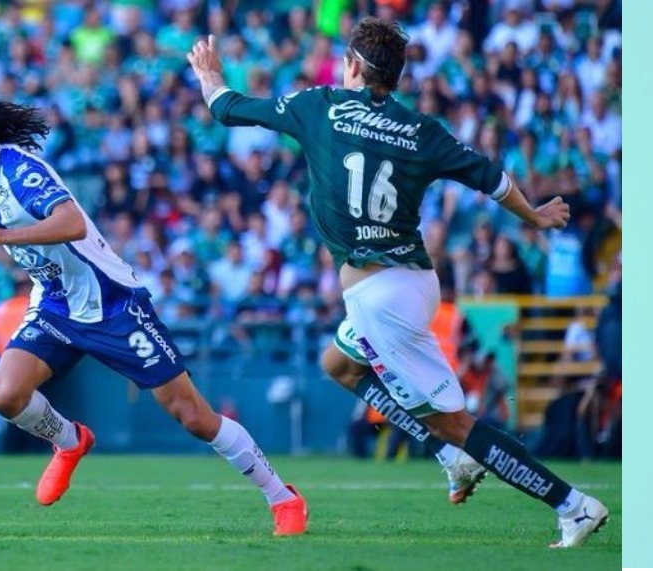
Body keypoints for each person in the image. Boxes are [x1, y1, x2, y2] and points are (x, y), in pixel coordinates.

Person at [187, 18, 608, 548]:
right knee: (338, 363)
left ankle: (571, 504)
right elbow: (493, 179)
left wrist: (209, 76)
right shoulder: (420, 129)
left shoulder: (319, 106)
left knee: (454, 423)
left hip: (379, 298)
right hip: (416, 280)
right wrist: (535, 216)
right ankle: (450, 457)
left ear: (353, 66)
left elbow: (226, 108)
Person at [0, 88, 308, 536]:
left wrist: (0, 237)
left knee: (192, 415)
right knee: (5, 396)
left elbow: (72, 223)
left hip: (112, 303)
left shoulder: (20, 173)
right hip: (54, 303)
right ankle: (70, 441)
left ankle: (283, 498)